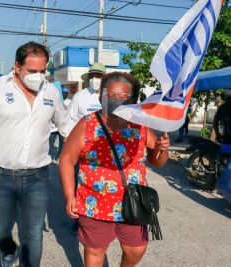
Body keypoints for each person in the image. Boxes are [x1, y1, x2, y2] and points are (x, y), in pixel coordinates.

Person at [0, 42, 75, 267]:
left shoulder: (51, 91)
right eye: (32, 71)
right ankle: (8, 250)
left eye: (43, 71)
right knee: (0, 229)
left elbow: (67, 126)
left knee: (33, 235)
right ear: (16, 66)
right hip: (1, 176)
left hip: (38, 177)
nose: (38, 76)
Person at [59, 72, 170, 267]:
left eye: (122, 96)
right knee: (95, 250)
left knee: (136, 249)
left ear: (132, 99)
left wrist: (162, 149)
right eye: (109, 95)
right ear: (101, 95)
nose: (114, 100)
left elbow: (157, 161)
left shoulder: (140, 125)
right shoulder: (88, 123)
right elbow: (67, 159)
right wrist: (70, 195)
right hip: (94, 201)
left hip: (132, 202)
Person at [214, 90, 231, 203]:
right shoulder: (224, 108)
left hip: (226, 140)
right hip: (228, 141)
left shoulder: (223, 107)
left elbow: (216, 122)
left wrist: (218, 134)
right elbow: (216, 121)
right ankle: (225, 191)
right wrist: (218, 134)